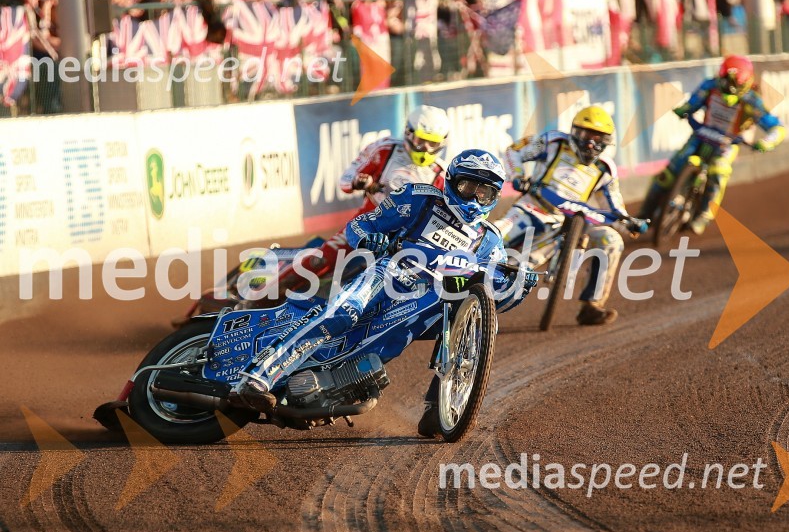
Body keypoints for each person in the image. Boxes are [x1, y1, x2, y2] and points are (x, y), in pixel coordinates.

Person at [229, 149, 539, 433]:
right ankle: (258, 376)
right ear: (452, 182)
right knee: (342, 315)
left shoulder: (491, 240)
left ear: (495, 197)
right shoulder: (420, 198)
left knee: (469, 330)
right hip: (388, 275)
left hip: (430, 305)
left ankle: (434, 407)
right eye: (469, 188)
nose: (475, 198)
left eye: (485, 193)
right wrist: (370, 240)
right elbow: (360, 225)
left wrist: (519, 286)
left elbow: (493, 296)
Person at [273, 105, 451, 296]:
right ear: (408, 133)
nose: (425, 149)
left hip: (402, 239)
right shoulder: (384, 149)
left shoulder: (441, 175)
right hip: (365, 224)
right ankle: (263, 298)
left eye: (433, 144)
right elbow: (345, 181)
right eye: (421, 141)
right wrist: (360, 181)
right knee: (322, 259)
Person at [495, 105, 648, 326]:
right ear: (574, 131)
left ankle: (591, 306)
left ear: (606, 141)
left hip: (575, 222)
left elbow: (615, 208)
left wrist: (631, 224)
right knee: (498, 235)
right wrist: (518, 176)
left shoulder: (605, 169)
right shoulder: (553, 141)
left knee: (611, 239)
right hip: (534, 207)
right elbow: (514, 151)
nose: (589, 143)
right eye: (585, 134)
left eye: (597, 137)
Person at [638, 55, 786, 234]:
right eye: (724, 82)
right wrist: (684, 110)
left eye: (734, 85)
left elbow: (776, 127)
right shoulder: (710, 86)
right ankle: (643, 215)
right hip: (701, 135)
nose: (728, 89)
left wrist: (766, 143)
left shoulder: (752, 102)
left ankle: (703, 215)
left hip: (727, 144)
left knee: (718, 171)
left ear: (745, 83)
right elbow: (692, 103)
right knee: (668, 172)